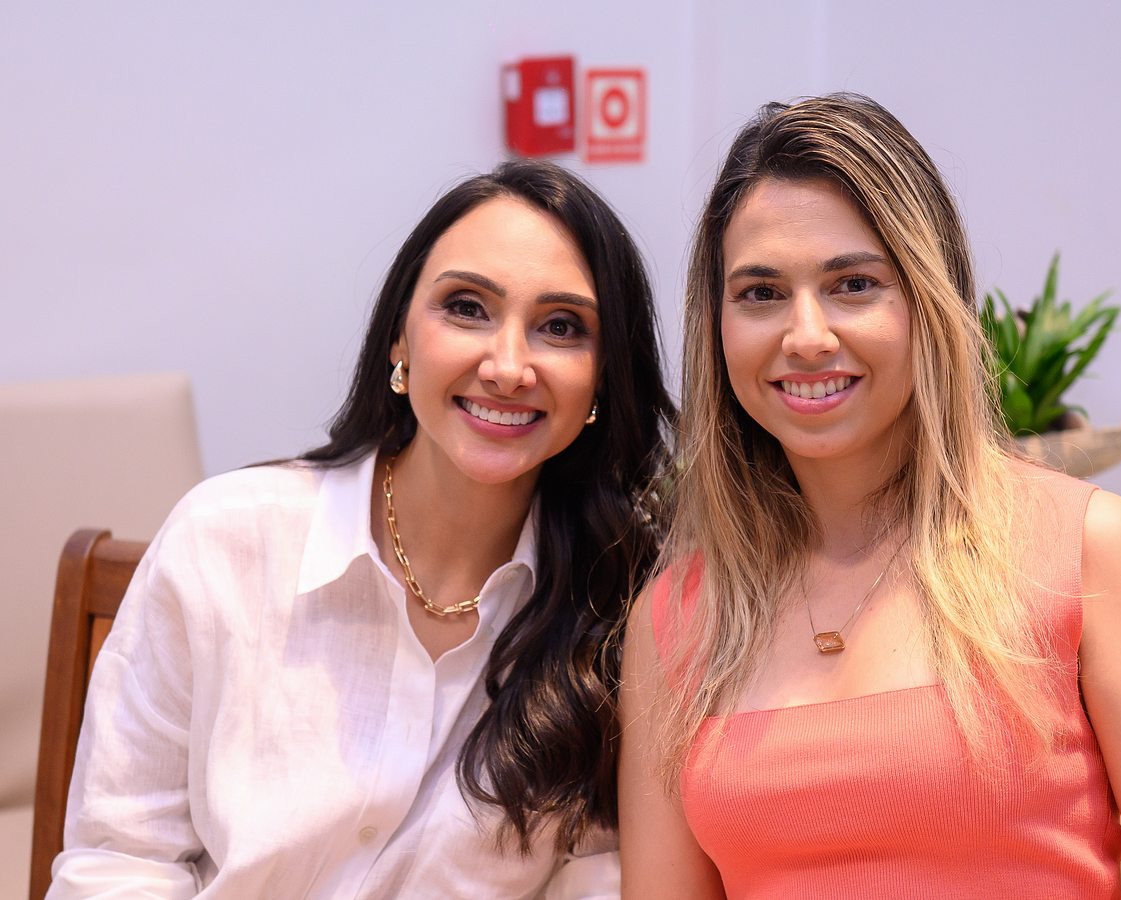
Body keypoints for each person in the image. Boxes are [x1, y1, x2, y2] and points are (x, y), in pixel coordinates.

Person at [619, 94, 1121, 898]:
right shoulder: (674, 621)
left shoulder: (1087, 550)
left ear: (929, 300)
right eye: (760, 293)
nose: (805, 336)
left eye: (852, 284)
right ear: (716, 326)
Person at [49, 159, 672, 897]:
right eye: (466, 307)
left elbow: (597, 880)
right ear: (399, 341)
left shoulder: (624, 608)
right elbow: (121, 862)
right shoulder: (224, 541)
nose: (508, 366)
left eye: (560, 327)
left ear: (603, 376)